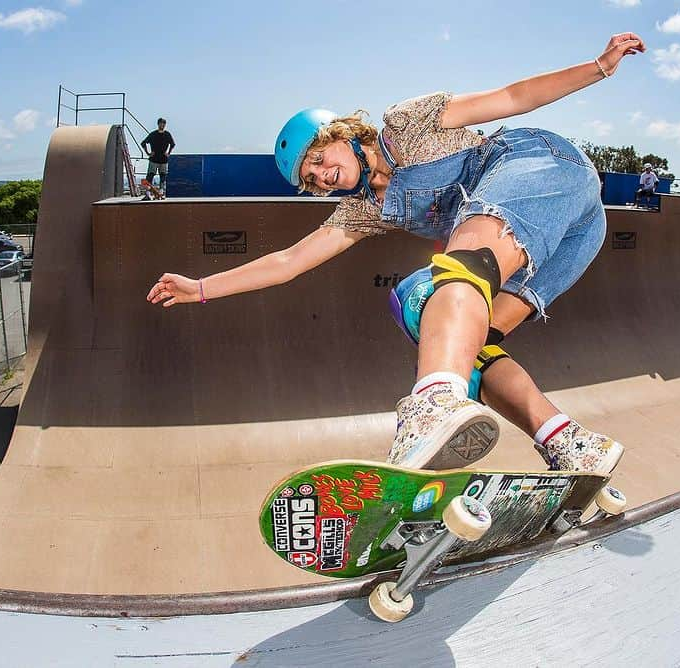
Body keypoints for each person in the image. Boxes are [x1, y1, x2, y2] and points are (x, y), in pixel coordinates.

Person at [148, 33, 647, 475]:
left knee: (456, 274)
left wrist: (598, 68)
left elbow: (512, 97)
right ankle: (566, 442)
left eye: (321, 158)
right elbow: (289, 260)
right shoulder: (364, 210)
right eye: (312, 178)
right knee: (460, 338)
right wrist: (201, 288)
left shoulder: (405, 124)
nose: (323, 175)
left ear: (342, 135)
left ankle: (432, 407)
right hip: (575, 236)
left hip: (540, 166)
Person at [142, 118, 176, 193]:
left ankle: (161, 192)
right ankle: (148, 193)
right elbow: (143, 143)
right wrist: (148, 153)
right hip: (153, 159)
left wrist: (168, 153)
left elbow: (172, 144)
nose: (162, 125)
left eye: (164, 124)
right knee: (150, 176)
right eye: (161, 123)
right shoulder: (153, 134)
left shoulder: (167, 134)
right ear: (158, 124)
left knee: (163, 176)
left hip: (163, 160)